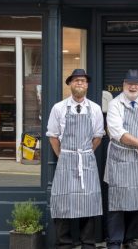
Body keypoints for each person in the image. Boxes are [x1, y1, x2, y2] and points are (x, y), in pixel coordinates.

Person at [46, 69, 105, 249]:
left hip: (86, 159)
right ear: (70, 84)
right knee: (63, 201)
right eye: (76, 80)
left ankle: (88, 243)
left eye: (83, 80)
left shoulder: (94, 109)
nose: (79, 83)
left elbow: (98, 136)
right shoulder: (59, 108)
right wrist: (63, 155)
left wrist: (85, 152)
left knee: (88, 201)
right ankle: (64, 243)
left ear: (87, 85)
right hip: (66, 158)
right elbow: (53, 136)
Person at [105, 69, 138, 249]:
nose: (133, 87)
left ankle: (129, 239)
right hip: (120, 158)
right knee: (117, 203)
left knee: (136, 201)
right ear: (124, 85)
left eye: (137, 84)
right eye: (130, 83)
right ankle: (114, 241)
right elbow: (117, 132)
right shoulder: (115, 104)